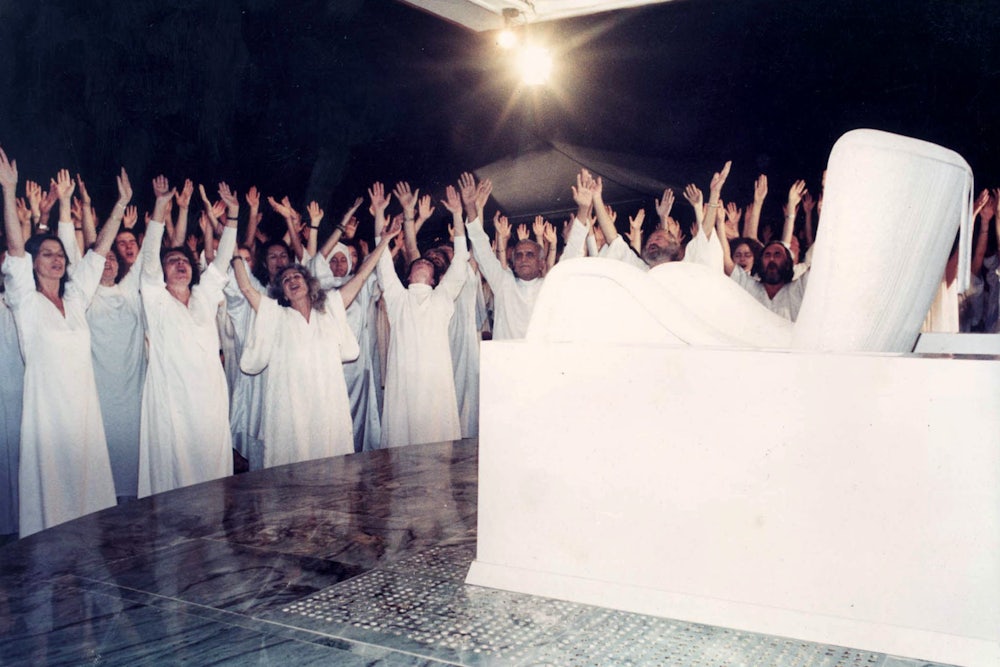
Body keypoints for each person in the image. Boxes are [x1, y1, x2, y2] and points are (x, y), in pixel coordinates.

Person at [0, 151, 121, 536]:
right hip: (47, 416)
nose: (56, 259)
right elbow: (16, 252)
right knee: (52, 503)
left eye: (59, 255)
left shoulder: (75, 300)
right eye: (47, 254)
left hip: (84, 413)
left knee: (89, 502)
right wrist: (8, 190)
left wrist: (120, 205)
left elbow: (99, 251)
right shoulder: (26, 302)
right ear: (35, 263)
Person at [234, 219, 400, 466]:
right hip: (290, 408)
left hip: (327, 403)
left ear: (308, 282)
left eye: (296, 275)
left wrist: (384, 241)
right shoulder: (275, 315)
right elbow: (247, 289)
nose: (291, 279)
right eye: (286, 279)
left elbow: (363, 274)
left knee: (330, 465)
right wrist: (234, 252)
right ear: (283, 292)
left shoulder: (330, 308)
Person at [137, 176, 237, 497]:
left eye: (184, 261)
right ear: (163, 271)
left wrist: (232, 217)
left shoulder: (205, 295)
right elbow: (150, 258)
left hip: (209, 398)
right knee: (173, 478)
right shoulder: (155, 298)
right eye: (173, 261)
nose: (180, 264)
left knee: (212, 475)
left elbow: (222, 260)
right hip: (171, 400)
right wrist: (160, 207)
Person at [57, 176, 147, 502]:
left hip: (134, 395)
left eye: (113, 257)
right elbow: (74, 245)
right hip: (99, 395)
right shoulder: (84, 296)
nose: (107, 259)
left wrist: (164, 207)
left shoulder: (132, 292)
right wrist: (68, 205)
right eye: (102, 258)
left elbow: (151, 249)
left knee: (135, 472)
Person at [377, 186, 470, 448]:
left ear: (434, 278)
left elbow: (461, 258)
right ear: (408, 276)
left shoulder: (441, 298)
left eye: (429, 264)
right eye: (420, 261)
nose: (424, 261)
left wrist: (458, 214)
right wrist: (381, 218)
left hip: (434, 387)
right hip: (403, 387)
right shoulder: (398, 300)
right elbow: (382, 264)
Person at [462, 173, 546, 339]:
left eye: (530, 254)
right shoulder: (504, 283)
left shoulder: (550, 285)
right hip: (506, 361)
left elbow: (573, 252)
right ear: (513, 264)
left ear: (541, 263)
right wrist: (471, 208)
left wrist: (584, 209)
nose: (523, 258)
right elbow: (482, 250)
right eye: (519, 255)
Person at [724, 180, 810, 321]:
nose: (771, 259)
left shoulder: (799, 289)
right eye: (767, 255)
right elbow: (728, 262)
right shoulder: (750, 287)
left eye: (777, 255)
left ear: (788, 263)